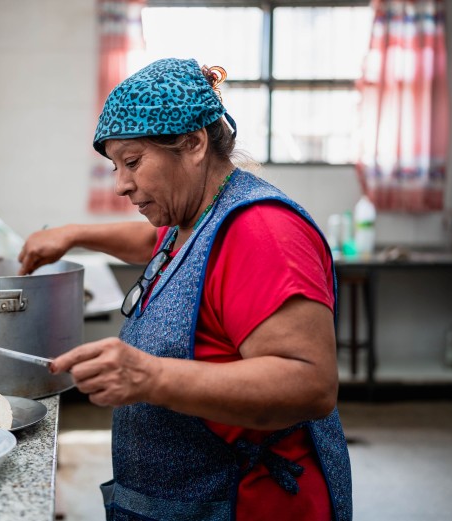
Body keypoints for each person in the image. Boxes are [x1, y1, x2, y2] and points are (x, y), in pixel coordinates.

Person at [18, 58, 352, 521]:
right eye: (115, 166)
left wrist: (149, 376)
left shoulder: (263, 232)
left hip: (245, 504)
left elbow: (310, 385)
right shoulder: (194, 217)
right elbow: (155, 243)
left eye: (132, 162)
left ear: (193, 143)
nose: (121, 185)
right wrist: (74, 234)